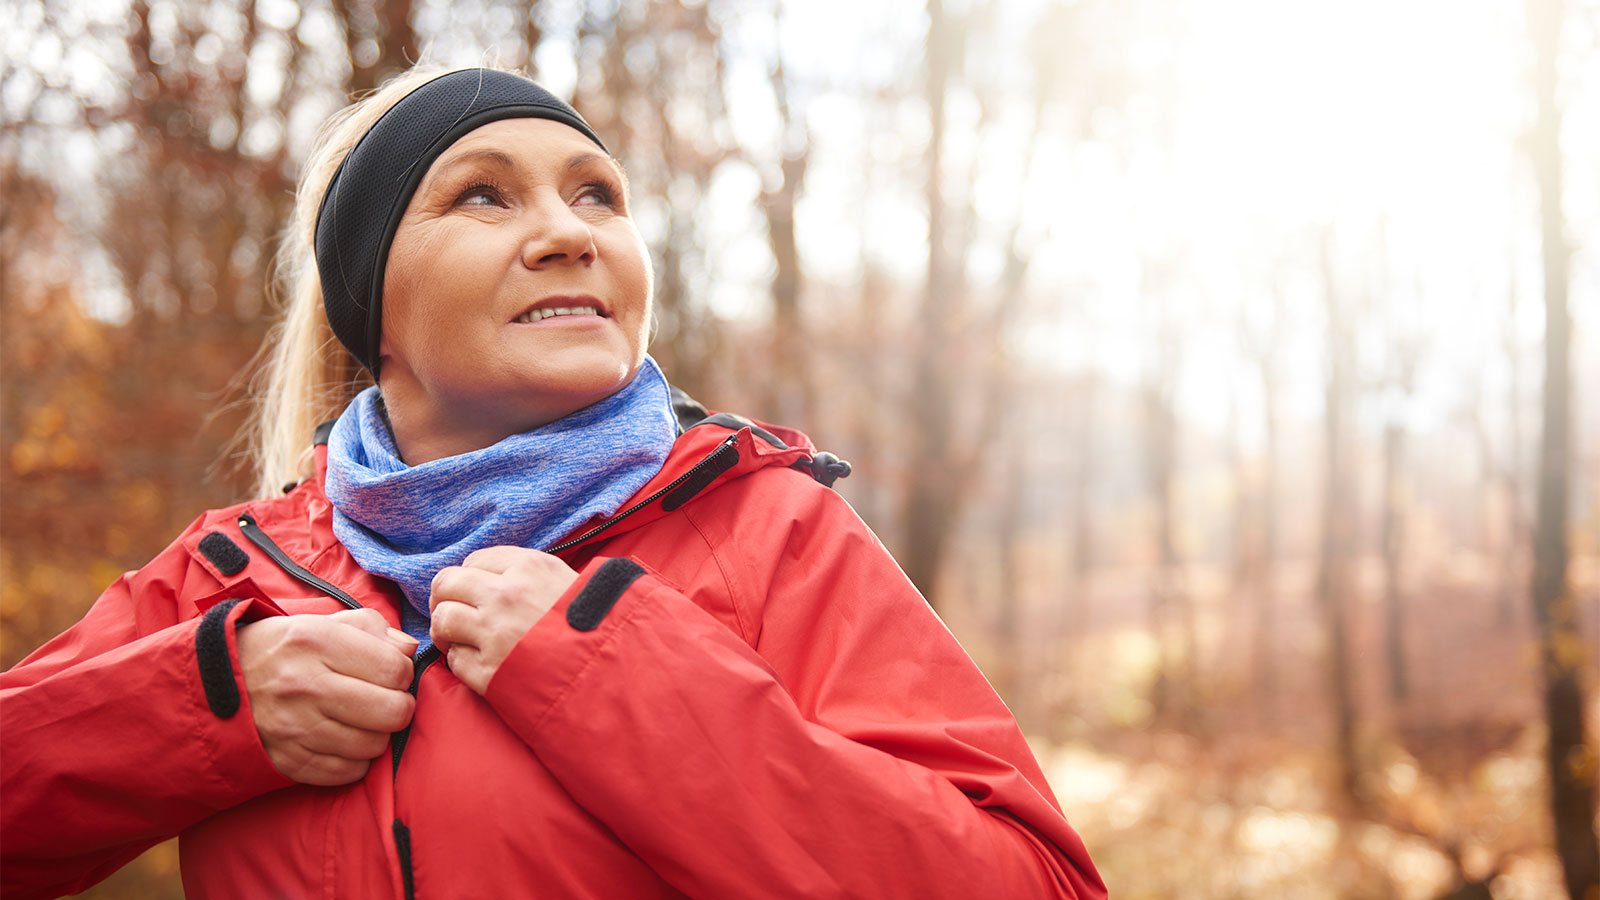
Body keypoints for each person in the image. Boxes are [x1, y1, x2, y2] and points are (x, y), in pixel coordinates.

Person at [0, 65, 1107, 899]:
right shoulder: (237, 573)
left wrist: (615, 680)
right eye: (484, 197)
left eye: (597, 197)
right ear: (371, 308)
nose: (570, 234)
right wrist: (205, 709)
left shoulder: (768, 529)